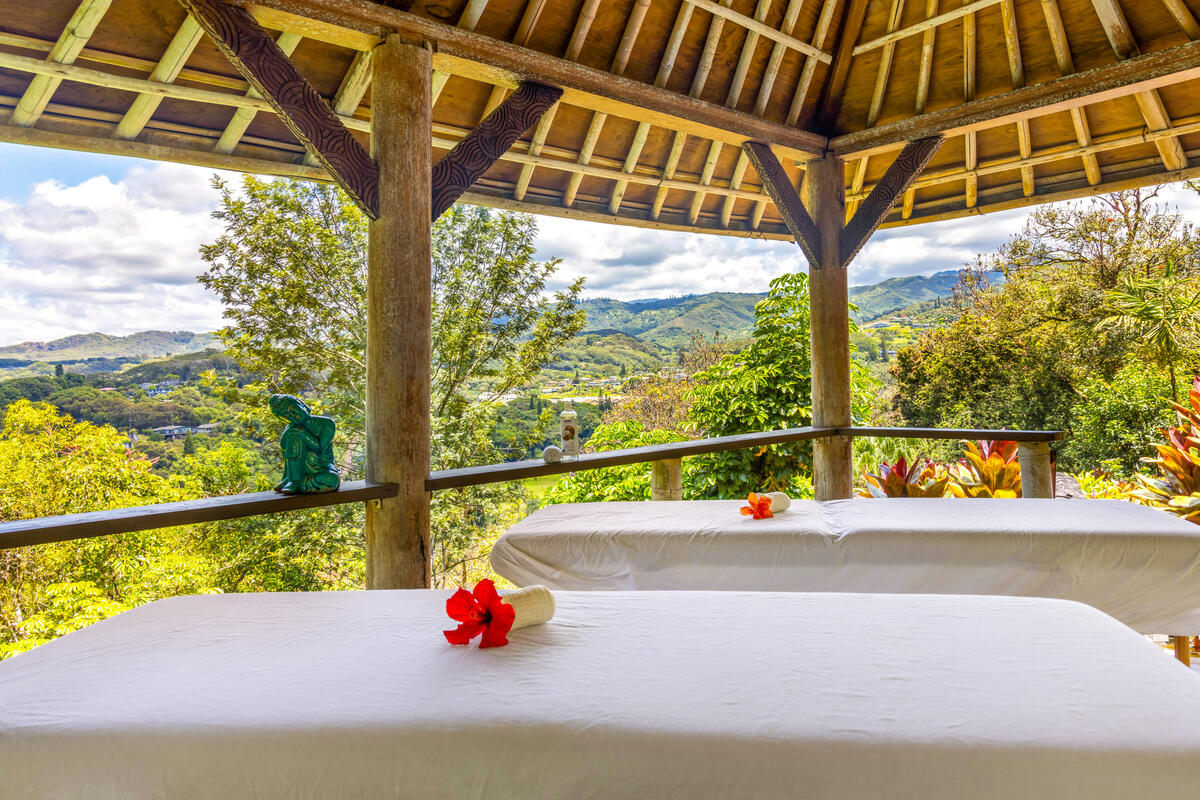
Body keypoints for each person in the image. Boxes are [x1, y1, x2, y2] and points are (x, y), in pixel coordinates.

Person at [268, 394, 340, 494]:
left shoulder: (326, 424)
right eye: (287, 417)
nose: (293, 416)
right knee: (293, 437)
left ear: (301, 404)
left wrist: (301, 433)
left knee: (331, 479)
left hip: (322, 469)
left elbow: (320, 448)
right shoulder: (291, 429)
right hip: (297, 472)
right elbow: (283, 446)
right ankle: (295, 481)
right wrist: (296, 433)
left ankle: (300, 484)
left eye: (293, 410)